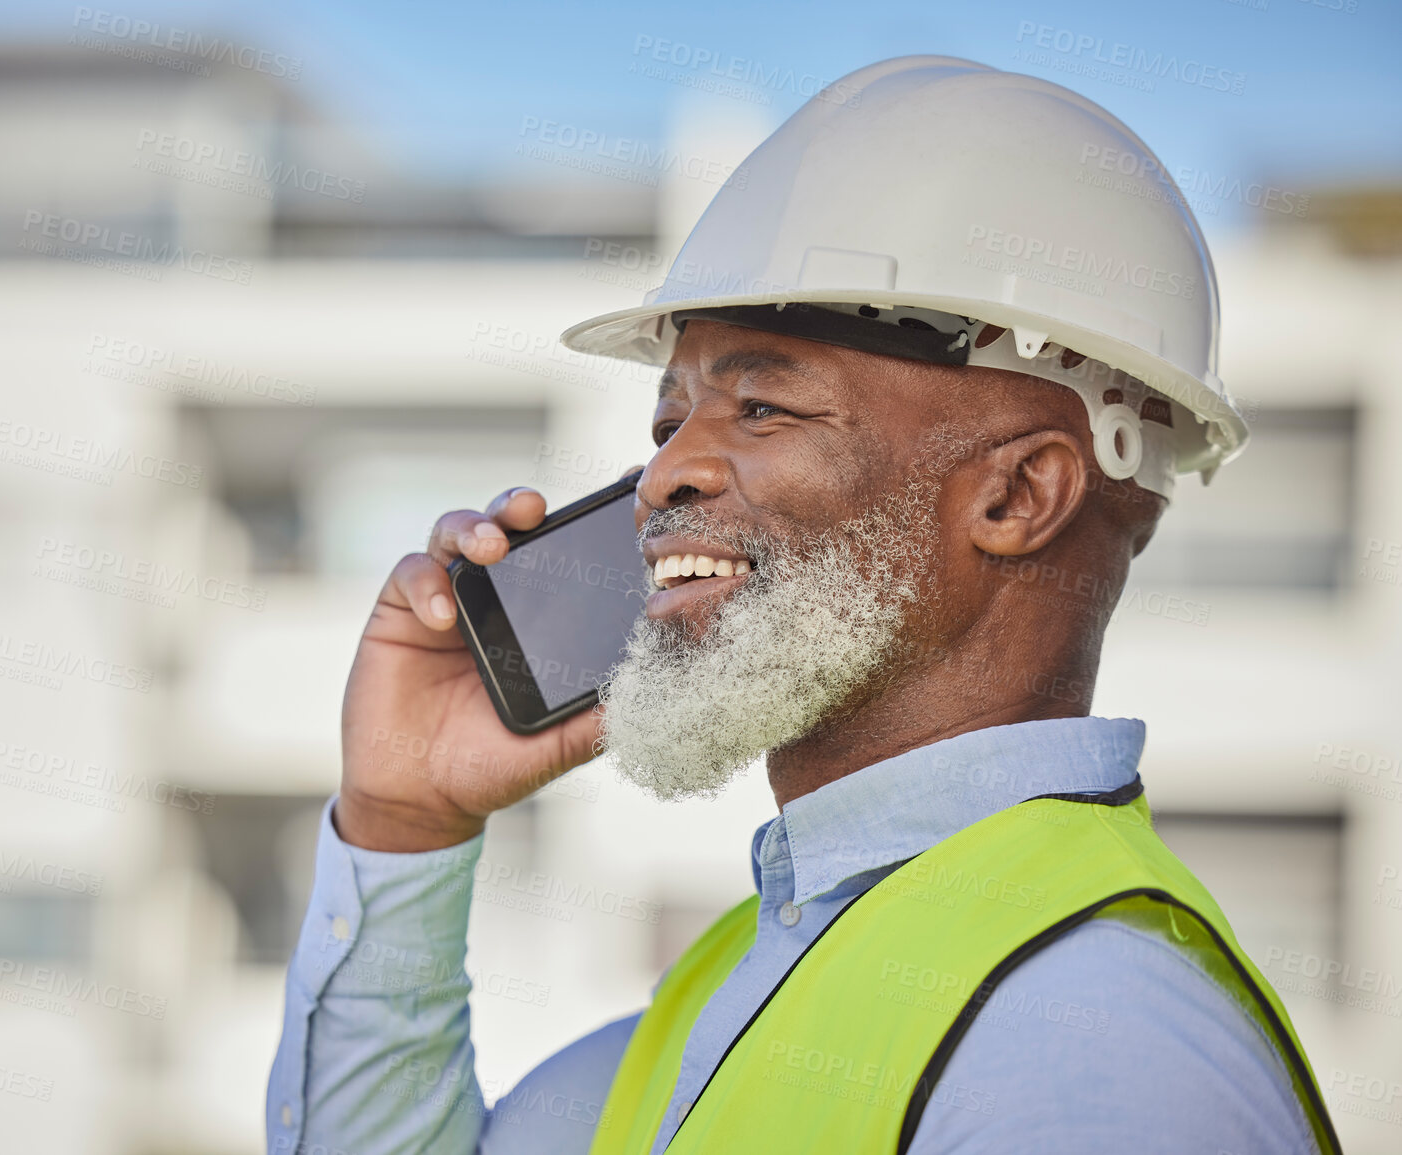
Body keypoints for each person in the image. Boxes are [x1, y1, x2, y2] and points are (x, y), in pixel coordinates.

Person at [267, 56, 1340, 1154]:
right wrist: (404, 827)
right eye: (669, 421)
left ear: (1020, 495)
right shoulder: (744, 986)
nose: (661, 478)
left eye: (764, 406)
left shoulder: (1100, 1050)